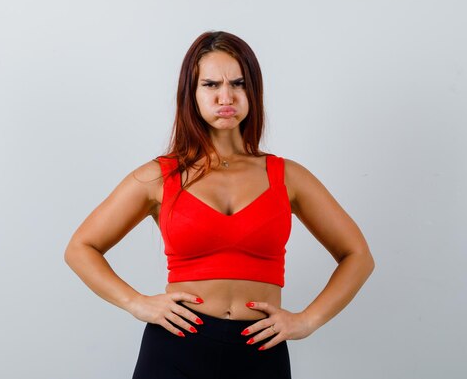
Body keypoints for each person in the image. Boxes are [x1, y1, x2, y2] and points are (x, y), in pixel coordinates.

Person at [64, 30, 375, 378]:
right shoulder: (159, 176)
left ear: (252, 91)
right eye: (211, 85)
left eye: (238, 83)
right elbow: (80, 248)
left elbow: (358, 256)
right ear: (191, 94)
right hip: (175, 347)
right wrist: (137, 303)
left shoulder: (288, 176)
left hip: (260, 352)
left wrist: (307, 321)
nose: (225, 96)